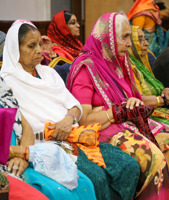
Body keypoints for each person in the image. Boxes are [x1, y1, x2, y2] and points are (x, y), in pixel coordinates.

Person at [0, 19, 140, 200]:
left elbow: (75, 106)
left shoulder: (48, 73)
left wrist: (68, 119)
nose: (39, 51)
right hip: (47, 144)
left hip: (76, 135)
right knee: (96, 178)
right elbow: (21, 125)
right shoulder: (7, 82)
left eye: (39, 45)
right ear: (14, 49)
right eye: (31, 46)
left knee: (129, 165)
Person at [67, 12, 169, 200]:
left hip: (131, 121)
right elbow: (83, 119)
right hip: (103, 131)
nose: (130, 43)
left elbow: (134, 98)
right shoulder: (86, 68)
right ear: (109, 38)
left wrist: (158, 100)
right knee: (154, 158)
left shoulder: (120, 63)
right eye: (125, 37)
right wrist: (116, 110)